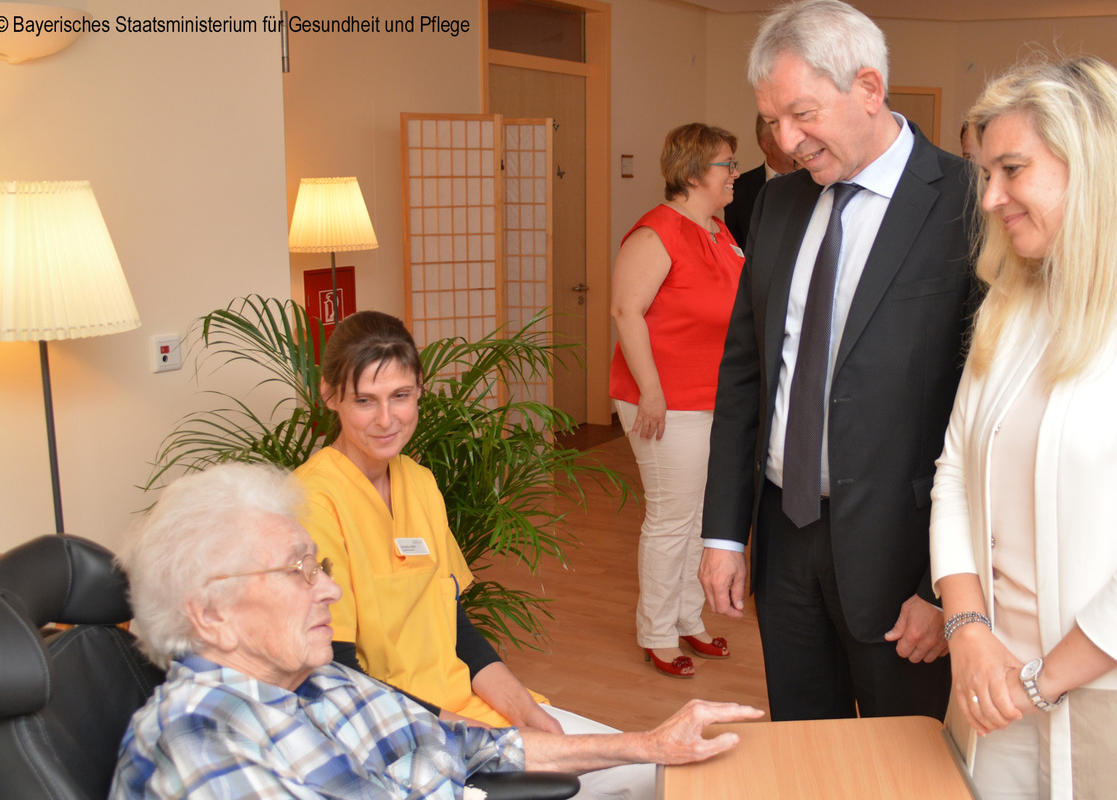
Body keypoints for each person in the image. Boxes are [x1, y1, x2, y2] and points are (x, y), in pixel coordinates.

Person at [111, 463, 763, 800]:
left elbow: (477, 747)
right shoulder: (198, 736)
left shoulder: (326, 681)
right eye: (297, 571)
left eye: (321, 567)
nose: (330, 590)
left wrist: (651, 744)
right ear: (211, 614)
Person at [698, 0, 975, 723]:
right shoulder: (778, 205)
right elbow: (746, 376)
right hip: (784, 539)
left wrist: (941, 587)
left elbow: (985, 421)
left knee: (902, 761)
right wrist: (725, 534)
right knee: (803, 744)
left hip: (901, 556)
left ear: (870, 89)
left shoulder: (967, 205)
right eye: (771, 121)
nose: (786, 143)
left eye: (803, 114)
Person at [931, 55, 1117, 800]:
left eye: (1012, 169)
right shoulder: (1013, 305)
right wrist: (969, 631)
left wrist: (1042, 681)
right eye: (986, 173)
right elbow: (954, 474)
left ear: (1096, 164)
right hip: (990, 685)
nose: (990, 197)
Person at [296, 310, 654, 800]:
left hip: (467, 708)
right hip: (393, 733)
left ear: (420, 388)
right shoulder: (314, 502)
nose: (386, 419)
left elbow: (458, 629)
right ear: (330, 395)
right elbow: (335, 674)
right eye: (365, 401)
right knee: (617, 778)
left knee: (646, 773)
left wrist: (526, 712)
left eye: (400, 396)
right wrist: (474, 737)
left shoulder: (418, 482)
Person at [609, 122, 745, 679]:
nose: (735, 174)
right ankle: (658, 634)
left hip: (713, 395)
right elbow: (625, 313)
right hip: (665, 399)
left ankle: (688, 617)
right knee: (671, 519)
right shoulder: (656, 233)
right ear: (693, 173)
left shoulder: (717, 230)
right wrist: (653, 393)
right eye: (727, 165)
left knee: (697, 521)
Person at [724, 113, 802, 250]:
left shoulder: (819, 183)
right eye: (787, 138)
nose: (797, 144)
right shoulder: (737, 188)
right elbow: (736, 247)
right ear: (767, 145)